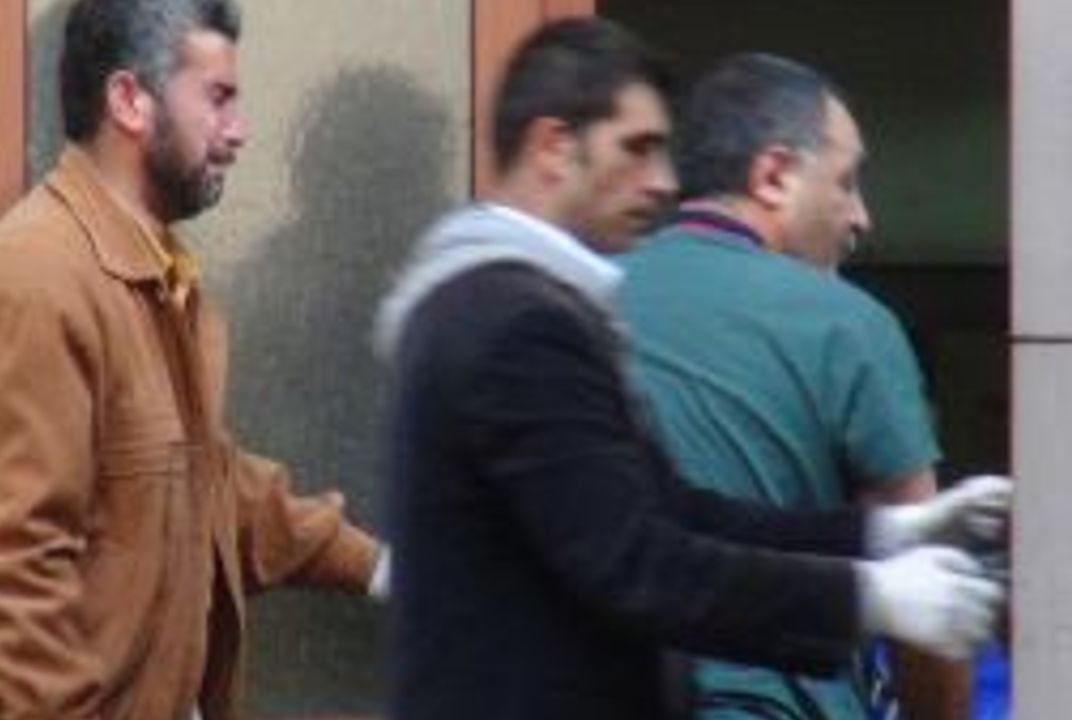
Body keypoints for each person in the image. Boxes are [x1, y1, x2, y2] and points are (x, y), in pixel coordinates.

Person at [374, 18, 1009, 720]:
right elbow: (639, 562)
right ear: (554, 146)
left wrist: (895, 534)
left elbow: (677, 511)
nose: (664, 181)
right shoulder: (516, 322)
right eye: (637, 148)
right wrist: (874, 596)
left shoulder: (510, 300)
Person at [0, 2, 385, 719]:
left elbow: (203, 486)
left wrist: (378, 566)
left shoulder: (151, 280)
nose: (238, 131)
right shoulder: (34, 284)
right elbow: (13, 573)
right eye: (218, 98)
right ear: (129, 100)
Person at [615, 53, 969, 719]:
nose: (861, 217)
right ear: (774, 176)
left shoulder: (578, 302)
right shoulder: (851, 324)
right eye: (846, 182)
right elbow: (931, 591)